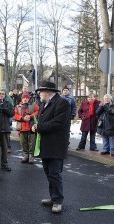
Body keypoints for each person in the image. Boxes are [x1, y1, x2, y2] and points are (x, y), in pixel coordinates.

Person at [31, 81, 70, 213]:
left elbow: (58, 123)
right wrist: (36, 126)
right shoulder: (44, 103)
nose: (39, 94)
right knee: (48, 172)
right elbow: (41, 121)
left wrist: (39, 127)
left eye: (40, 92)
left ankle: (58, 201)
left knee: (54, 174)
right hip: (45, 144)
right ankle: (53, 197)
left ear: (47, 92)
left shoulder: (62, 103)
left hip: (56, 144)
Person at [13, 91, 39, 163]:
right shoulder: (17, 106)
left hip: (31, 127)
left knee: (32, 142)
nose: (25, 99)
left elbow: (38, 111)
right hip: (21, 128)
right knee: (23, 142)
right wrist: (22, 118)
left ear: (29, 98)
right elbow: (15, 115)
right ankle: (25, 155)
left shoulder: (34, 105)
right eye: (24, 98)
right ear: (21, 99)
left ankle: (31, 156)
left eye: (26, 98)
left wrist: (30, 116)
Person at [0, 89, 14, 171]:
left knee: (5, 149)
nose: (1, 95)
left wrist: (3, 108)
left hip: (5, 129)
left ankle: (4, 164)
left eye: (3, 94)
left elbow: (12, 113)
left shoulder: (7, 104)